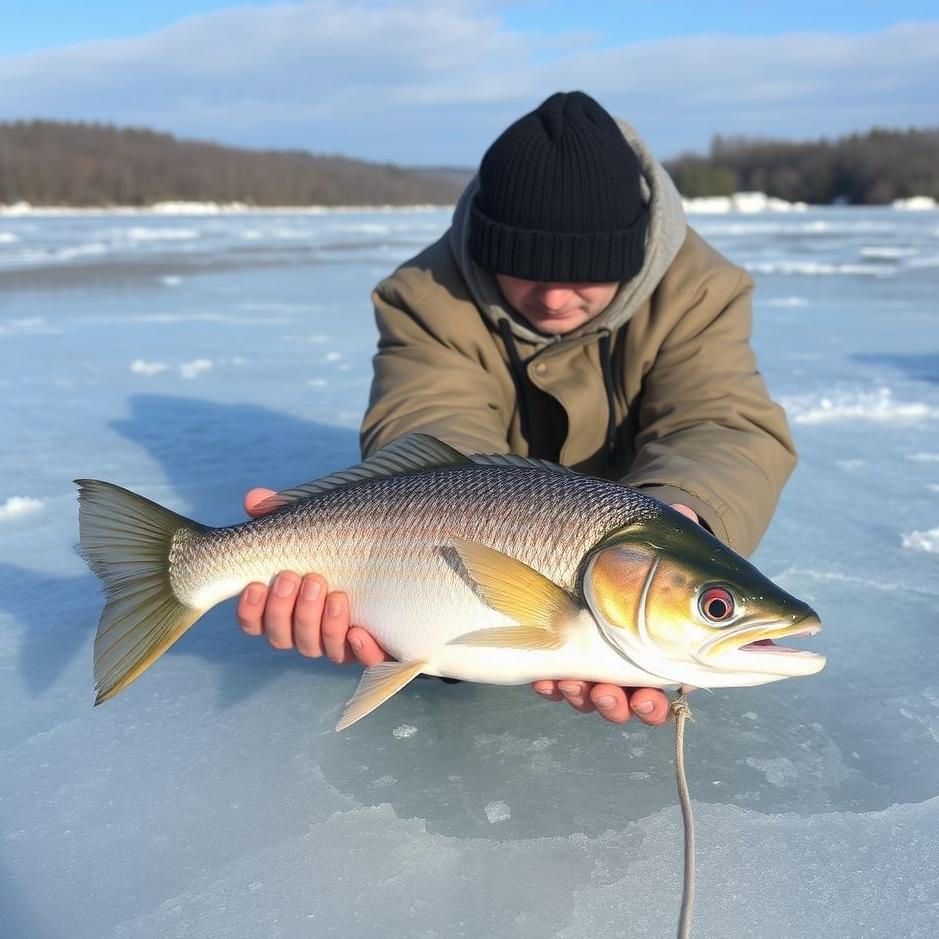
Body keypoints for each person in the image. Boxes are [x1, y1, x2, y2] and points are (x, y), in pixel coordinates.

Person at [236, 91, 797, 727]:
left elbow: (722, 422)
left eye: (588, 270)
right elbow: (429, 422)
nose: (556, 296)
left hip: (625, 535)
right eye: (526, 267)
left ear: (633, 251)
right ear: (488, 244)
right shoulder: (426, 292)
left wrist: (684, 518)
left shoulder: (699, 289)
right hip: (485, 522)